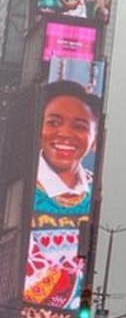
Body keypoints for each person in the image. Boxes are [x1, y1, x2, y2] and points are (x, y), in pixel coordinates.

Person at [34, 80, 101, 217]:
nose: (64, 134)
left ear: (95, 139)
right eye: (54, 123)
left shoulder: (95, 189)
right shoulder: (20, 185)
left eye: (79, 126)